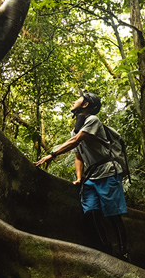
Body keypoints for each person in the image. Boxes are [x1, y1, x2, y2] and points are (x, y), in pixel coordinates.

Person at [35, 91, 129, 260]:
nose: (74, 101)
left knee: (113, 215)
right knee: (91, 213)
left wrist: (52, 154)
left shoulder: (93, 120)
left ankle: (124, 253)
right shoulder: (75, 130)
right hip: (90, 177)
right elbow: (79, 156)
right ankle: (106, 251)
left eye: (78, 99)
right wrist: (79, 177)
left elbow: (76, 141)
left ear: (85, 105)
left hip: (108, 173)